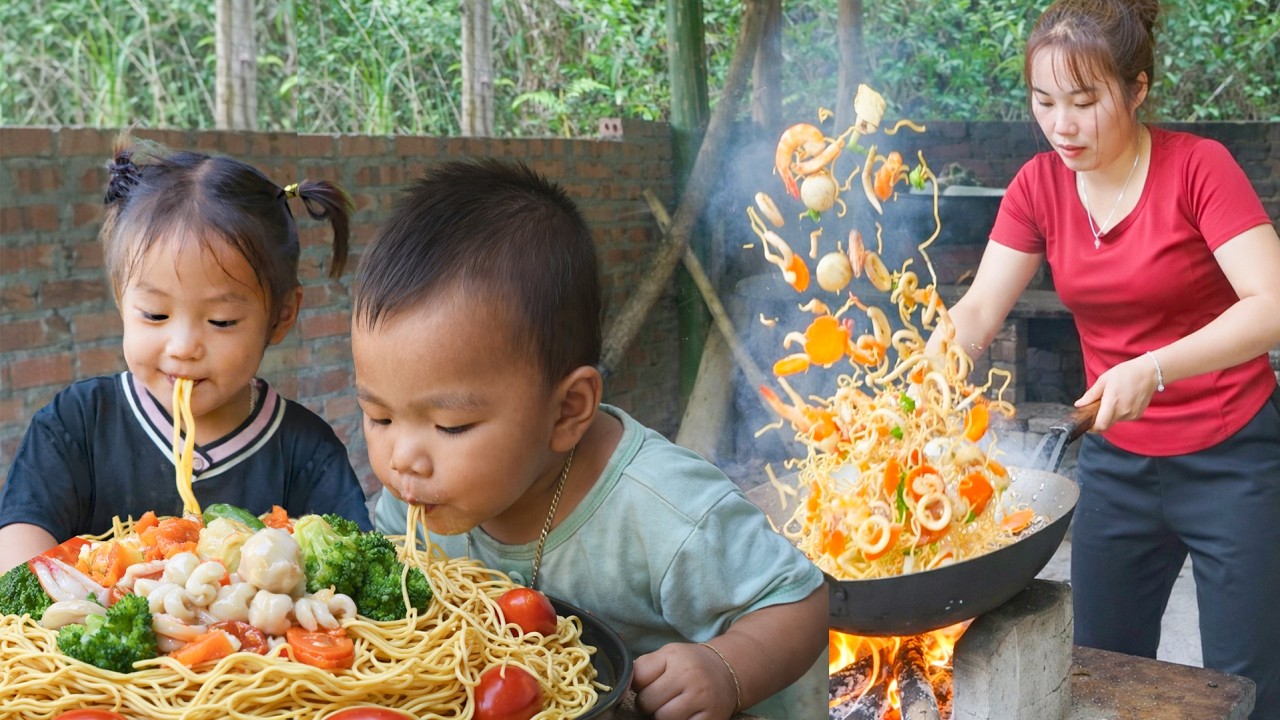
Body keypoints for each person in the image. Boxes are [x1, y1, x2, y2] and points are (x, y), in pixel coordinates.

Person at [356, 158, 827, 720]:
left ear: (567, 411)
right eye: (378, 417)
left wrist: (726, 667)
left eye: (450, 426)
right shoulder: (415, 502)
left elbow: (800, 602)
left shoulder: (665, 511)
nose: (402, 459)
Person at [934, 0, 1280, 715]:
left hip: (1233, 457)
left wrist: (1153, 368)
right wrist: (931, 368)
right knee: (1097, 666)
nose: (1062, 125)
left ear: (1138, 89)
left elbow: (1271, 303)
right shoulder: (1038, 186)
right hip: (1116, 463)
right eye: (1044, 101)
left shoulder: (1198, 169)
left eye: (1085, 101)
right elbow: (977, 310)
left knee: (1250, 683)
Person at [0, 135, 373, 573]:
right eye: (155, 314)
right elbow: (18, 549)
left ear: (282, 316)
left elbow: (355, 570)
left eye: (221, 321)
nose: (182, 348)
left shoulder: (306, 451)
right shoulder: (76, 425)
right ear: (122, 301)